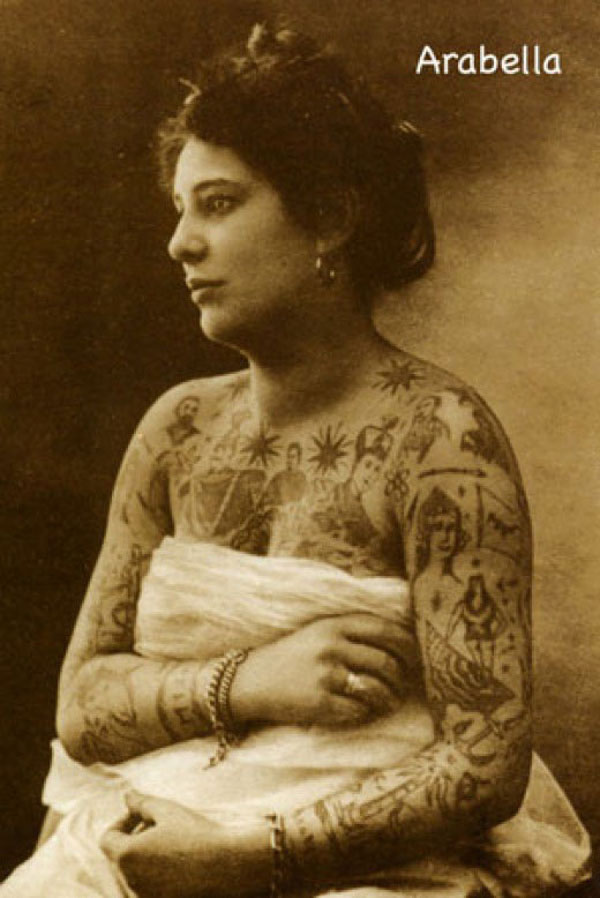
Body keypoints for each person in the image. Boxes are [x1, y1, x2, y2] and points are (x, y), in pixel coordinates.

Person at [2, 23, 590, 898]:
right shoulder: (176, 431)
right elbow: (83, 706)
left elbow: (484, 761)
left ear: (331, 217)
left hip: (364, 870)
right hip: (138, 845)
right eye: (180, 208)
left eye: (218, 204)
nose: (179, 243)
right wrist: (249, 683)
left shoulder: (441, 438)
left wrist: (249, 858)